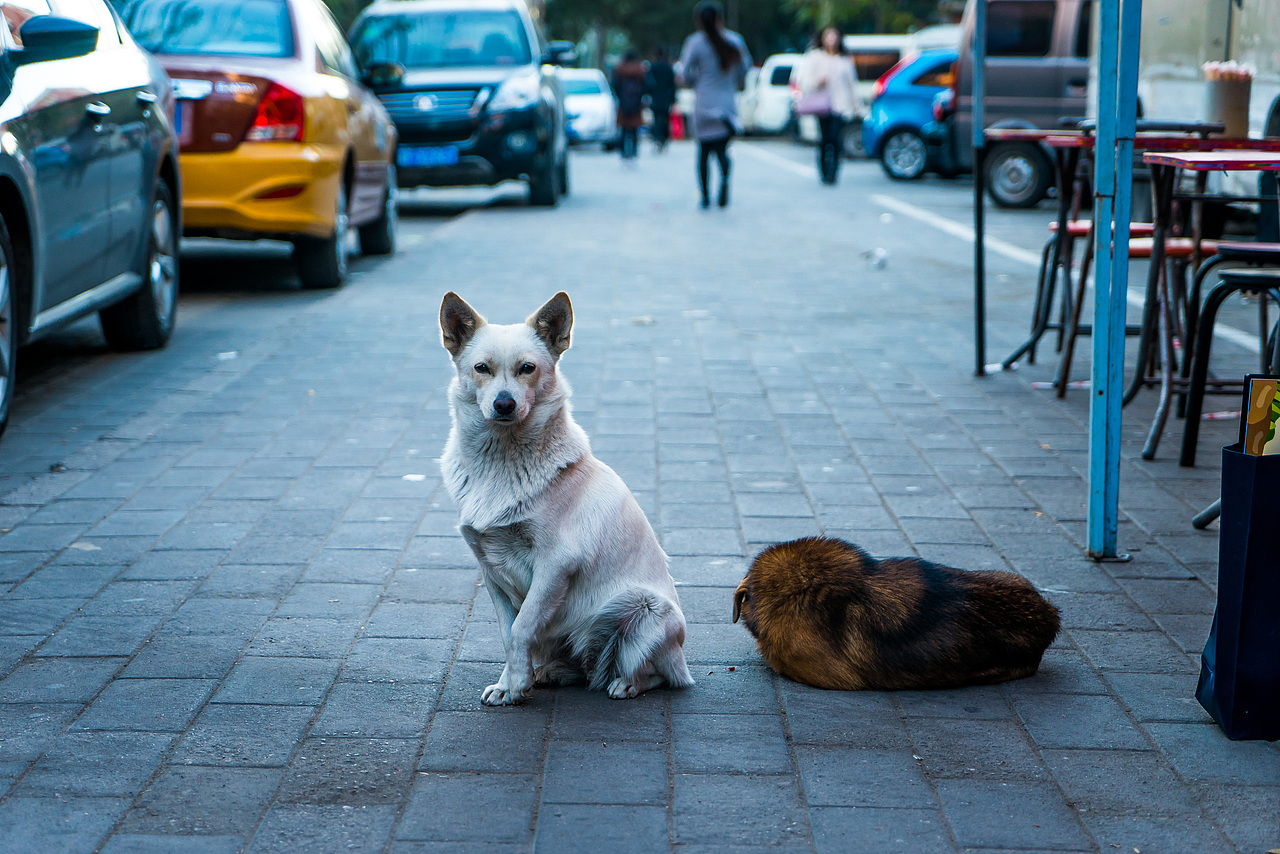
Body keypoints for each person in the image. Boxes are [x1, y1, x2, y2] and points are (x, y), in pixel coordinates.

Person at [677, 1, 751, 208]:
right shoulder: (735, 40)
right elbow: (745, 69)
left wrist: (695, 81)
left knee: (703, 152)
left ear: (698, 21)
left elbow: (684, 73)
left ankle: (705, 196)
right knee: (722, 150)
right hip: (727, 105)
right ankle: (725, 182)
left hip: (704, 104)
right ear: (720, 19)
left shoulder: (695, 42)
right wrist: (730, 82)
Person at [794, 26, 859, 184]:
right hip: (822, 106)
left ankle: (833, 172)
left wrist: (856, 108)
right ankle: (824, 171)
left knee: (836, 140)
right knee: (824, 140)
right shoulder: (815, 57)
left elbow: (852, 85)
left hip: (840, 106)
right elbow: (804, 81)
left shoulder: (844, 60)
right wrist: (818, 82)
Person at [612, 50, 647, 163]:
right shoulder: (640, 70)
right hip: (636, 103)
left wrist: (620, 97)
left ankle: (623, 151)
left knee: (624, 128)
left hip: (624, 103)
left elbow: (615, 84)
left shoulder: (620, 69)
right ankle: (634, 151)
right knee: (634, 128)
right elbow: (647, 85)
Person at [647, 47, 677, 152]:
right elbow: (672, 85)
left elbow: (648, 83)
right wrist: (673, 99)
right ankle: (664, 138)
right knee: (665, 119)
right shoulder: (668, 68)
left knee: (656, 119)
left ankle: (657, 138)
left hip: (655, 97)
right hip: (666, 98)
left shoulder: (653, 67)